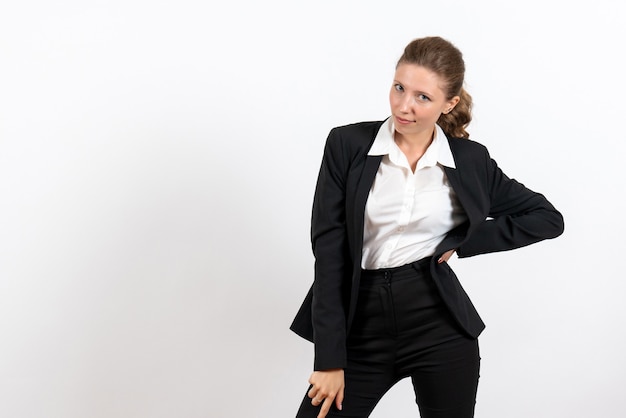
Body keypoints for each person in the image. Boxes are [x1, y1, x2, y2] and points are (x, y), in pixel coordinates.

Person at [290, 36, 564, 418]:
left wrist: (462, 243)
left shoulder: (470, 160)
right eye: (399, 88)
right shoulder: (347, 144)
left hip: (439, 325)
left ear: (449, 103)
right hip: (360, 325)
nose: (404, 106)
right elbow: (329, 252)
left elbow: (547, 218)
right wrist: (330, 360)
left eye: (423, 97)